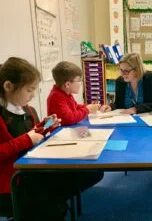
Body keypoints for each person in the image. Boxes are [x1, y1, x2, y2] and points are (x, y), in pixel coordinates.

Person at [0, 57, 103, 221]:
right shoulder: (3, 115)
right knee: (53, 201)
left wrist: (47, 124)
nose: (33, 95)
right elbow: (21, 141)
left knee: (89, 173)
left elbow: (31, 132)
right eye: (29, 90)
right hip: (13, 181)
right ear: (8, 86)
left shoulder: (27, 110)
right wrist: (27, 139)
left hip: (31, 169)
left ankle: (49, 208)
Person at [100, 53, 152, 188]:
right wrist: (110, 106)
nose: (123, 74)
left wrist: (136, 109)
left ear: (137, 69)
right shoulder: (120, 82)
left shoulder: (150, 78)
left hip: (151, 120)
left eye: (126, 71)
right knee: (135, 143)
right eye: (121, 70)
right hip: (130, 123)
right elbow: (119, 103)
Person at [47, 61, 100, 125]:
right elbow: (69, 118)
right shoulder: (56, 97)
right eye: (79, 80)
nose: (81, 83)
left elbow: (75, 107)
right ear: (68, 84)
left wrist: (90, 106)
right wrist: (87, 110)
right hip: (61, 132)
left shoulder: (66, 93)